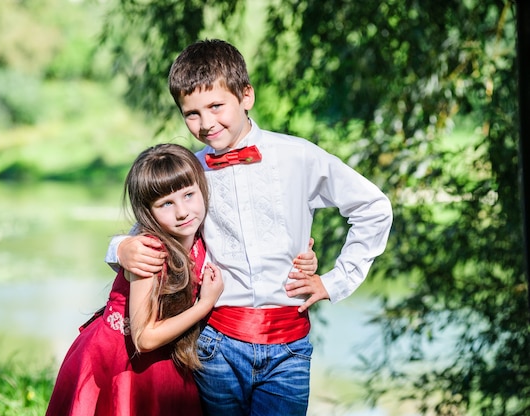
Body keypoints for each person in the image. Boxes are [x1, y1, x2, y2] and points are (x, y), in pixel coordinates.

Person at [106, 39, 393, 415]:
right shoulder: (192, 170)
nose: (206, 123)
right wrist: (120, 249)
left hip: (288, 346)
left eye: (216, 106)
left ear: (246, 96)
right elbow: (152, 226)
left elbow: (373, 207)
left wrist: (333, 281)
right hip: (216, 344)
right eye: (191, 113)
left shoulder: (297, 156)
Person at [46, 143, 224, 416]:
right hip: (121, 362)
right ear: (147, 211)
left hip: (166, 359)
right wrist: (204, 304)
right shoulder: (149, 252)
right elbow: (144, 338)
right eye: (166, 203)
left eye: (189, 195)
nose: (182, 211)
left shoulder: (198, 238)